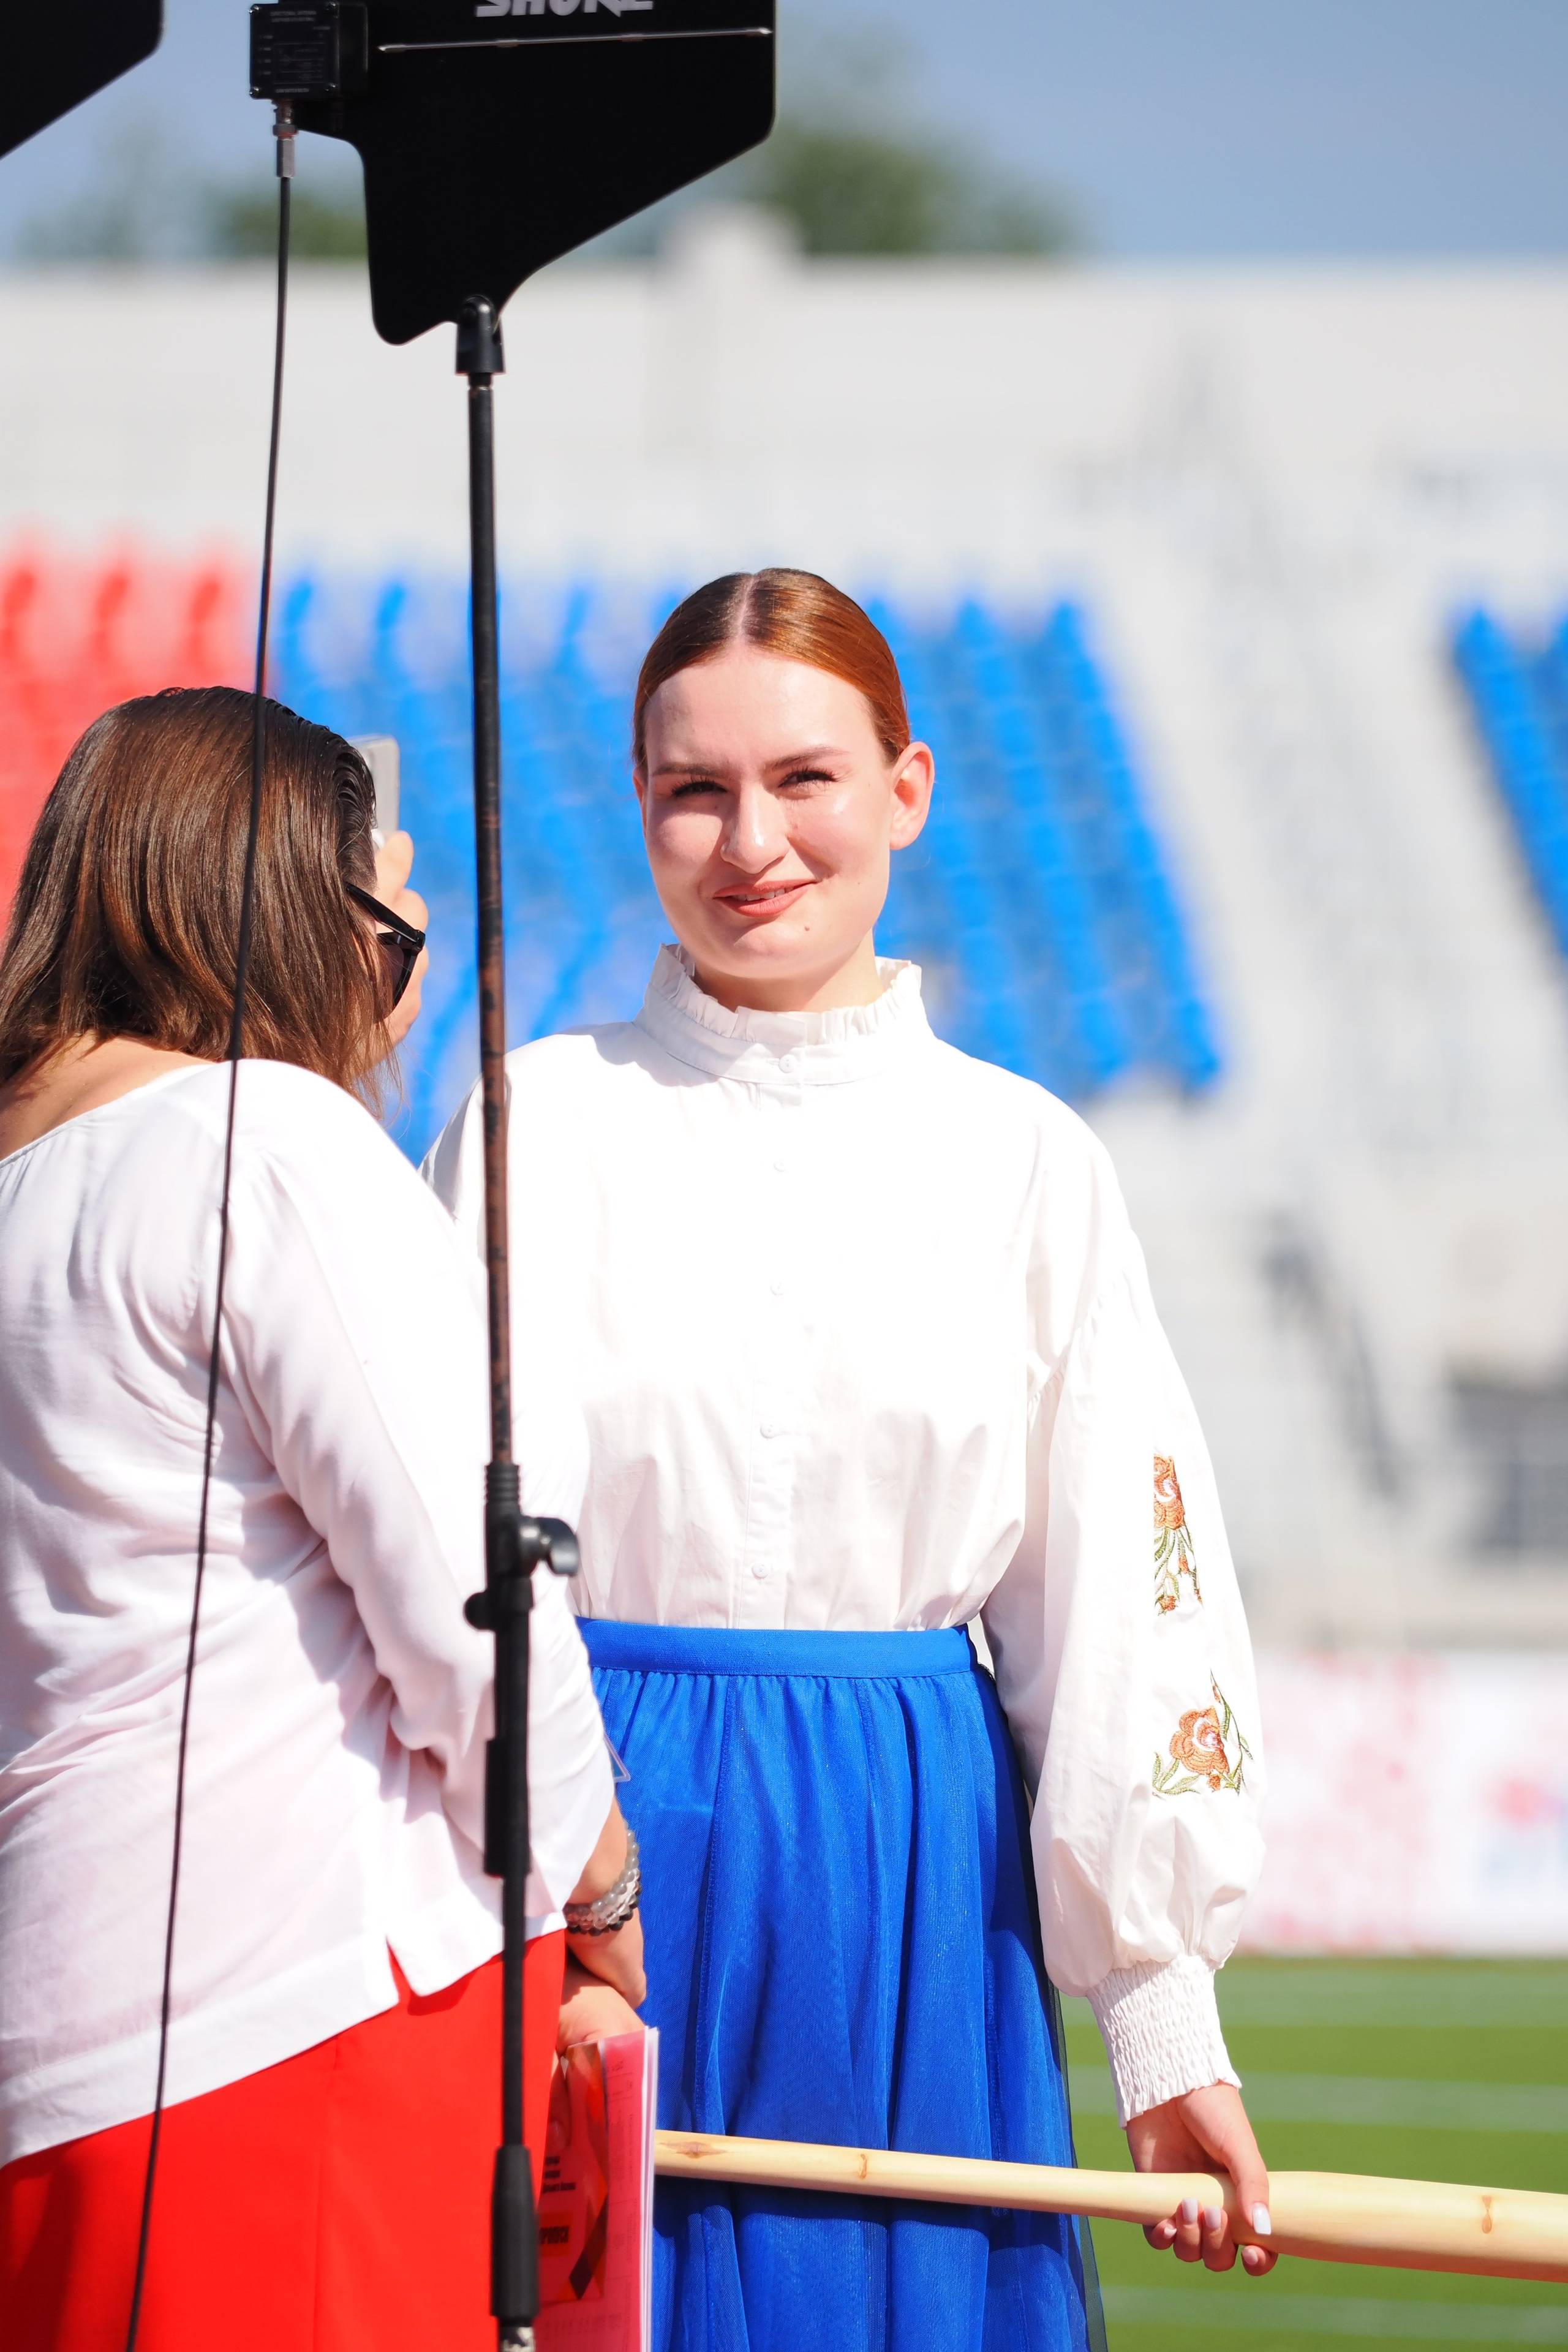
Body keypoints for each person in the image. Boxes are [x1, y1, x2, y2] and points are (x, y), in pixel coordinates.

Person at [425, 570, 1276, 2352]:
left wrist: (1160, 2022)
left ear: (909, 787)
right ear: (639, 802)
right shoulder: (528, 1127)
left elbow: (1114, 1602)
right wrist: (529, 1910)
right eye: (695, 789)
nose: (754, 842)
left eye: (806, 779)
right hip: (592, 1843)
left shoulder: (1030, 1164)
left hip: (904, 1871)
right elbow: (433, 1556)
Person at [0, 687, 643, 2352]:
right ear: (292, 902)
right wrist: (603, 1887)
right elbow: (473, 1605)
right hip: (282, 2027)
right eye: (387, 920)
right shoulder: (267, 1140)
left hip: (60, 2035)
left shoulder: (30, 1176)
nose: (394, 974)